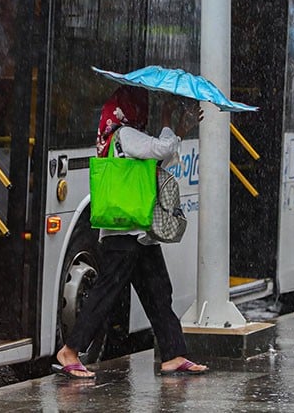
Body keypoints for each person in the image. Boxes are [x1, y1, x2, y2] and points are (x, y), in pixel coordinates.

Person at [53, 85, 208, 379]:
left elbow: (159, 160)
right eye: (140, 104)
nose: (144, 109)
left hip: (138, 232)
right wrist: (166, 121)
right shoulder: (123, 135)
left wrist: (179, 130)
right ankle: (70, 351)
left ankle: (173, 354)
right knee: (107, 292)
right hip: (123, 231)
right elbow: (161, 149)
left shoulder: (127, 137)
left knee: (158, 291)